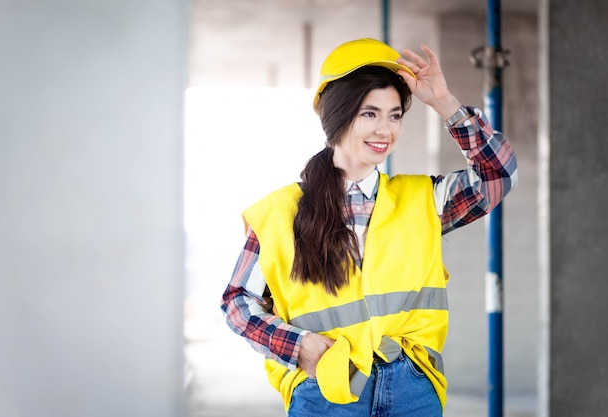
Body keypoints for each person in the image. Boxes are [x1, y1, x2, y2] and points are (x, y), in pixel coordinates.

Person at [220, 38, 517, 417]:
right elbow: (237, 302)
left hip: (412, 388)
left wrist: (444, 103)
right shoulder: (278, 212)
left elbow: (498, 174)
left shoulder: (424, 199)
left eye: (395, 115)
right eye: (369, 114)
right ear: (338, 117)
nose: (384, 130)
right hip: (326, 389)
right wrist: (299, 346)